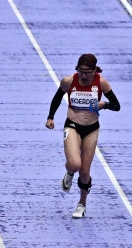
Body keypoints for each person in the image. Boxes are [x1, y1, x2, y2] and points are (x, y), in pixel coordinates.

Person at [46, 53, 120, 219]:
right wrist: (50, 117)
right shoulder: (69, 81)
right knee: (74, 164)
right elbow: (57, 98)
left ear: (94, 71)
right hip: (72, 125)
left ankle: (82, 204)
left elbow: (117, 106)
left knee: (85, 171)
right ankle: (69, 173)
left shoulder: (101, 83)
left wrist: (104, 105)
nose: (84, 76)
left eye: (87, 72)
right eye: (81, 71)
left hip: (92, 128)